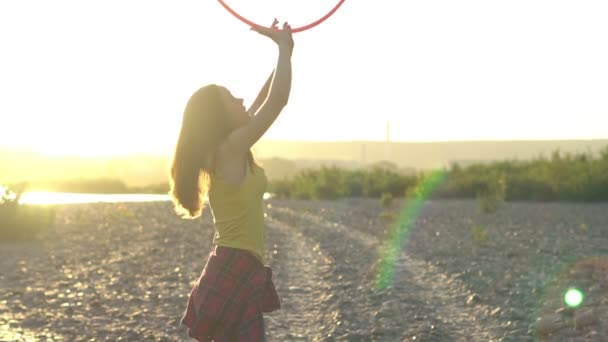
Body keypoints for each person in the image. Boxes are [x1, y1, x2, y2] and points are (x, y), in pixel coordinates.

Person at [169, 19, 293, 341]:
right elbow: (277, 101)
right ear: (220, 118)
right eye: (232, 98)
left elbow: (265, 97)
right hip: (234, 267)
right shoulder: (230, 149)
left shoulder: (230, 146)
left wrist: (285, 52)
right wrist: (283, 49)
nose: (242, 100)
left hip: (238, 269)